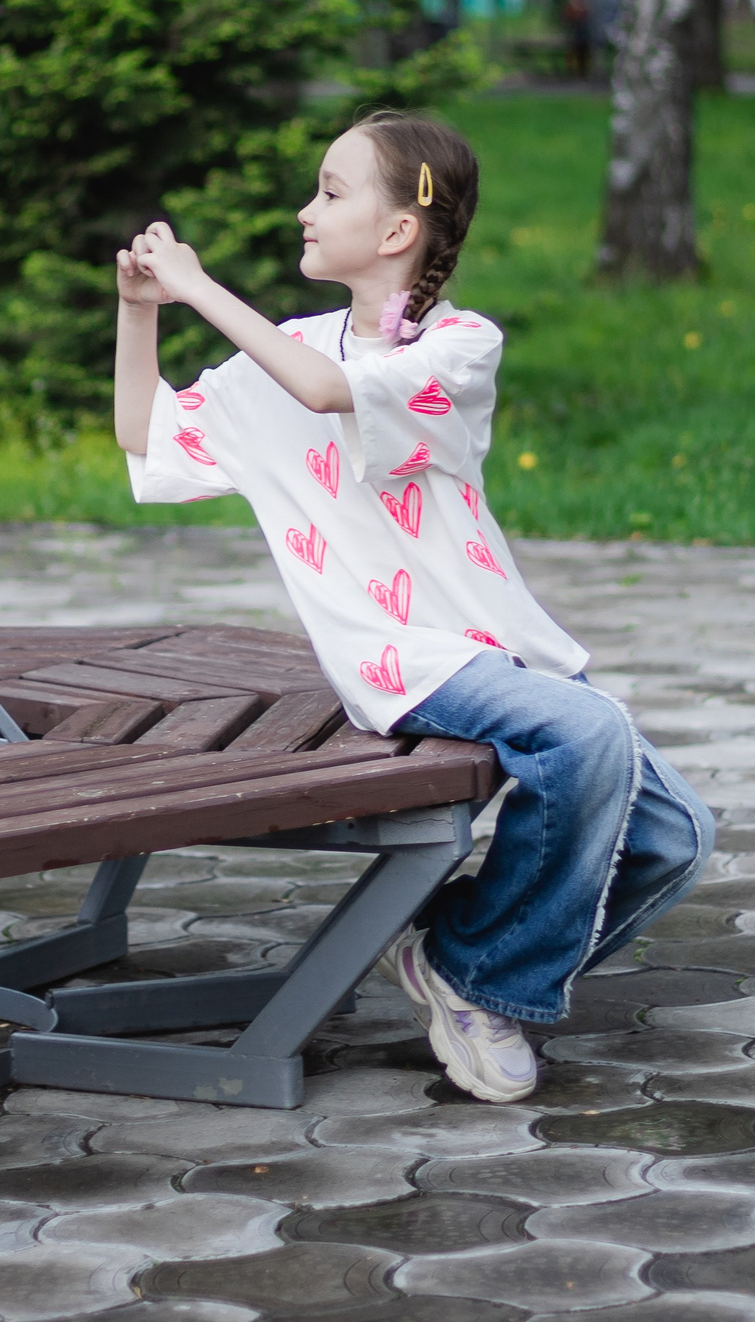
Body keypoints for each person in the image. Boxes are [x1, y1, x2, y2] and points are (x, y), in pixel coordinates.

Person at [112, 109, 712, 1103]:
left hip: (496, 644)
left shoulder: (459, 347)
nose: (305, 211)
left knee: (676, 838)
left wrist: (198, 286)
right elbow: (146, 434)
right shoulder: (282, 353)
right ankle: (479, 982)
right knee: (590, 735)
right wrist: (140, 311)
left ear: (397, 230)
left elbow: (328, 390)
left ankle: (457, 953)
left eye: (330, 191)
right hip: (399, 657)